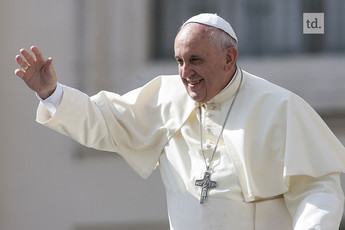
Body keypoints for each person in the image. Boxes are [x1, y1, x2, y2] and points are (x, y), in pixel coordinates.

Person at [14, 13, 345, 230]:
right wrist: (51, 93)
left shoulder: (280, 107)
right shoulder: (164, 96)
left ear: (229, 59)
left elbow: (319, 190)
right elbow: (104, 121)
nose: (186, 73)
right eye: (179, 61)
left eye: (196, 60)